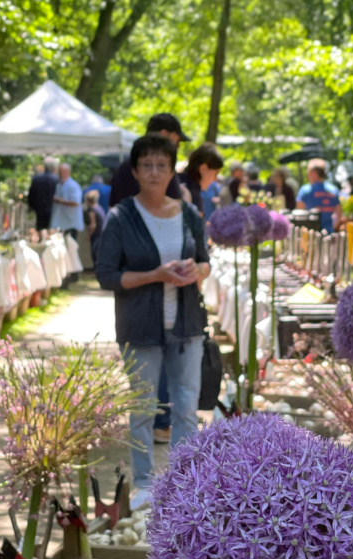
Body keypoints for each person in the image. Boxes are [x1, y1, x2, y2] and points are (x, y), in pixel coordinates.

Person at [97, 134, 211, 511]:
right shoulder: (121, 217)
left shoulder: (188, 214)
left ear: (171, 170)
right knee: (143, 407)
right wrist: (155, 275)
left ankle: (183, 485)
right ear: (135, 170)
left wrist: (195, 270)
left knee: (185, 407)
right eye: (146, 164)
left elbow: (206, 261)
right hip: (140, 326)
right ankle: (144, 482)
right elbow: (107, 276)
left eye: (162, 164)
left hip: (186, 325)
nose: (154, 171)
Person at [109, 113, 189, 207]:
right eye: (177, 141)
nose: (178, 146)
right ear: (163, 134)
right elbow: (177, 205)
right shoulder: (163, 170)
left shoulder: (125, 167)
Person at [297, 158, 342, 233]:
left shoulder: (305, 191)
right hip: (329, 234)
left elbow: (299, 214)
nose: (307, 174)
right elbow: (338, 214)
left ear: (314, 173)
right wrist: (332, 227)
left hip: (310, 234)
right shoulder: (333, 190)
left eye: (308, 171)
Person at [178, 142, 223, 214]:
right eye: (216, 173)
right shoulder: (191, 193)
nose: (215, 179)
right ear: (203, 169)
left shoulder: (180, 181)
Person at [50, 162, 84, 241]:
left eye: (64, 172)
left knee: (70, 247)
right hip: (62, 223)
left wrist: (60, 200)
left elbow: (76, 203)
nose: (61, 174)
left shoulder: (73, 185)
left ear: (68, 172)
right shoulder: (59, 185)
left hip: (71, 224)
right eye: (60, 172)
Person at [27, 157, 58, 235]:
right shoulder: (56, 179)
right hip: (52, 209)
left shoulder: (36, 179)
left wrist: (33, 207)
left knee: (41, 229)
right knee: (51, 231)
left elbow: (31, 196)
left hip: (40, 210)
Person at [83, 189, 106, 267]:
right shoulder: (99, 208)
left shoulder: (91, 210)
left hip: (96, 235)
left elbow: (93, 225)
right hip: (102, 234)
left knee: (95, 254)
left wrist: (89, 235)